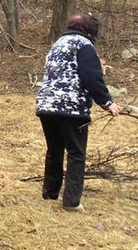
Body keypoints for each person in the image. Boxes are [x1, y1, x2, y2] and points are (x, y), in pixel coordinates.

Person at [34, 13, 120, 211]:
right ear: (91, 32)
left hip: (46, 106)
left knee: (54, 150)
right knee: (76, 153)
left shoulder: (57, 44)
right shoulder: (84, 46)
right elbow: (91, 77)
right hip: (71, 109)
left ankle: (50, 193)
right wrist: (107, 102)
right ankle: (72, 202)